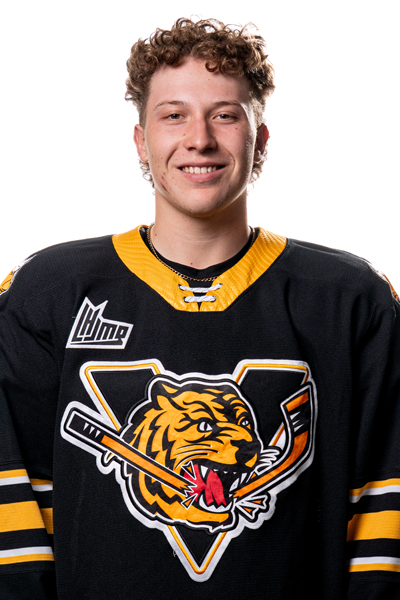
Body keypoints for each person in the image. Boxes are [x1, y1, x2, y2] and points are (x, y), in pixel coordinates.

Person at [1, 17, 400, 600]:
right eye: (173, 115)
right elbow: (16, 519)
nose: (200, 139)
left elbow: (382, 520)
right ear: (141, 140)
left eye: (225, 115)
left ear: (261, 138)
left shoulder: (350, 300)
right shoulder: (47, 293)